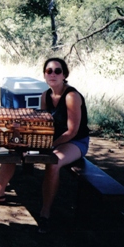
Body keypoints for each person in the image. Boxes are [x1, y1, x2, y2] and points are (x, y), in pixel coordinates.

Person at [38, 57, 90, 233]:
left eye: (57, 71)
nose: (53, 74)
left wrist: (51, 145)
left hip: (75, 141)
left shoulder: (71, 96)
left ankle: (45, 212)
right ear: (44, 75)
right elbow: (43, 124)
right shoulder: (45, 95)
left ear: (64, 74)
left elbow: (72, 131)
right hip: (55, 140)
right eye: (49, 71)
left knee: (53, 163)